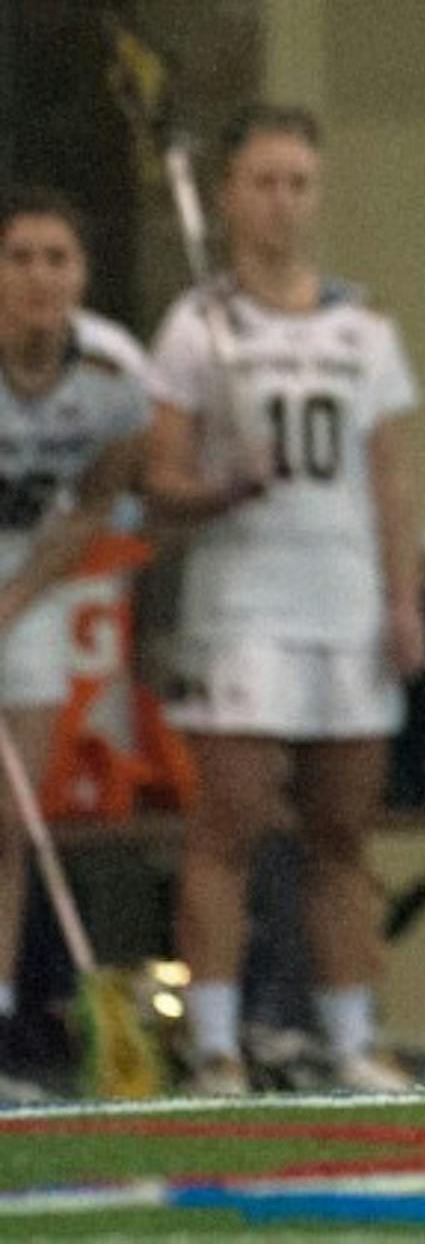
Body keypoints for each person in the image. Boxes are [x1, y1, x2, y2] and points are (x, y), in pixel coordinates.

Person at [143, 104, 425, 1095]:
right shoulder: (198, 325)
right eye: (263, 182)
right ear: (228, 195)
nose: (281, 202)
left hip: (343, 602)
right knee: (228, 825)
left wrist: (405, 601)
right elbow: (159, 481)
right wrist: (225, 483)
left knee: (343, 830)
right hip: (243, 605)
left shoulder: (359, 323)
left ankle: (353, 1037)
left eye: (298, 182)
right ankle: (215, 1043)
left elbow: (390, 478)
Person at [0, 190, 150, 1086]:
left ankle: (5, 1017)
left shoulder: (110, 394)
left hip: (30, 596)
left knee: (11, 821)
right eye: (20, 257)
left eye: (58, 258)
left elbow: (97, 499)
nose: (39, 276)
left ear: (81, 276)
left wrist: (23, 590)